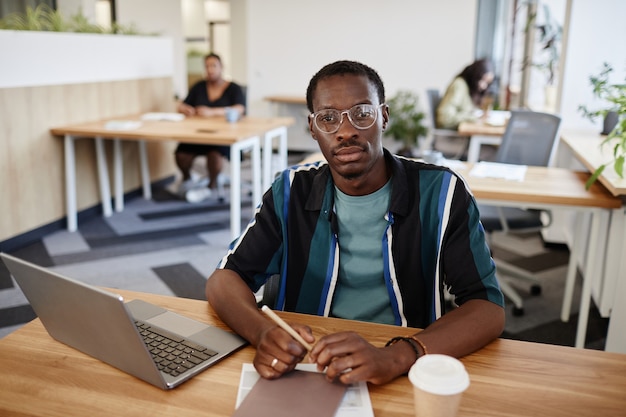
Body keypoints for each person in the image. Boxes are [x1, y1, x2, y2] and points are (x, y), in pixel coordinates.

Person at [205, 60, 505, 386]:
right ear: (312, 128)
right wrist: (262, 333)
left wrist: (397, 356)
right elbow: (225, 279)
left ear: (384, 117)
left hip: (406, 366)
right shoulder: (290, 191)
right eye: (328, 119)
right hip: (304, 366)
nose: (346, 131)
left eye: (362, 113)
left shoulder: (442, 193)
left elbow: (487, 307)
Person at [175, 52, 246, 203]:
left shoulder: (234, 88)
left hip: (224, 136)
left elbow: (240, 109)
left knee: (214, 154)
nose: (210, 69)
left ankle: (210, 186)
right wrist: (184, 109)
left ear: (221, 67)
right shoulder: (199, 87)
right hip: (200, 135)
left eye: (214, 66)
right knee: (181, 153)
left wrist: (211, 112)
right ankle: (188, 178)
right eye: (207, 66)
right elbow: (183, 104)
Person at [436, 58, 495, 129]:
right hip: (453, 135)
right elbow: (444, 118)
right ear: (475, 74)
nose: (484, 86)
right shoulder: (459, 85)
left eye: (487, 83)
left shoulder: (469, 89)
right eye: (482, 80)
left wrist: (476, 117)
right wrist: (472, 118)